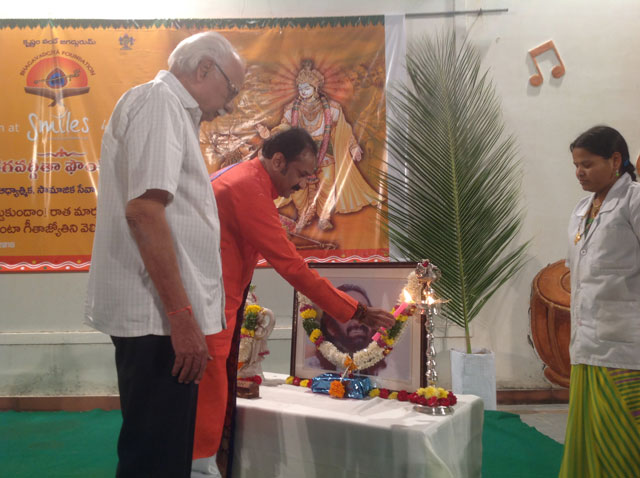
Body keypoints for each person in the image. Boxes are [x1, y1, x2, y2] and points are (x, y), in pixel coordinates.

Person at [84, 32, 245, 478]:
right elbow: (145, 212)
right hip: (159, 321)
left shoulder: (169, 109)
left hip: (163, 319)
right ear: (204, 69)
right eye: (232, 90)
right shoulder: (160, 104)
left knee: (164, 452)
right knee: (155, 459)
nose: (230, 105)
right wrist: (181, 315)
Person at [191, 127, 395, 478]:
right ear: (278, 160)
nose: (302, 184)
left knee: (211, 395)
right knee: (208, 399)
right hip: (210, 305)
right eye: (301, 174)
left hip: (216, 300)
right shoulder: (246, 188)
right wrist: (357, 311)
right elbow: (292, 267)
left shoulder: (246, 179)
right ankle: (201, 468)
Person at [559, 125, 640, 477]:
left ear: (616, 160)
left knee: (623, 440)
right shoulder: (581, 208)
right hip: (587, 342)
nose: (579, 172)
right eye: (576, 165)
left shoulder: (634, 200)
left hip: (627, 345)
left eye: (588, 164)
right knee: (591, 435)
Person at [258, 59, 384, 232]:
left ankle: (324, 218)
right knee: (297, 188)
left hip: (326, 154)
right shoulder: (291, 109)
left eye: (307, 88)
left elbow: (344, 130)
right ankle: (304, 214)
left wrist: (353, 147)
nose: (303, 92)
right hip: (298, 156)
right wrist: (269, 135)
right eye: (300, 88)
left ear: (315, 89)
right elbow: (283, 129)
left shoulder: (332, 109)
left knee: (327, 185)